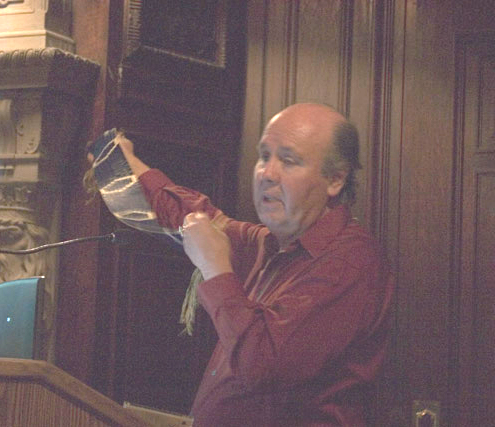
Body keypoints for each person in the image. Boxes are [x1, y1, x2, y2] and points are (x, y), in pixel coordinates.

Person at [97, 103, 394, 426]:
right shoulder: (270, 243)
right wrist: (121, 161)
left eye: (288, 161)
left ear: (335, 180)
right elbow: (193, 217)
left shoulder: (351, 261)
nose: (267, 173)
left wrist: (216, 269)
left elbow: (263, 364)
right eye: (264, 156)